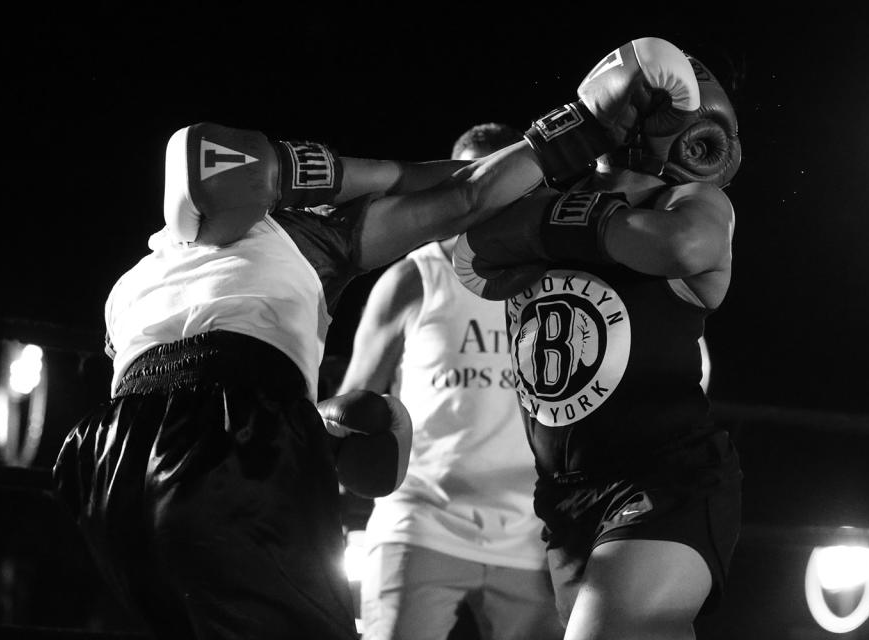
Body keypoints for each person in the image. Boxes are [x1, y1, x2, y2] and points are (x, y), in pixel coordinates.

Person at [53, 35, 712, 640]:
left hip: (103, 461)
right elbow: (462, 198)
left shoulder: (136, 281)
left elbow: (212, 166)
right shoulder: (314, 235)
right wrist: (583, 121)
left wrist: (332, 428)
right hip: (238, 441)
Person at [453, 40, 744, 639]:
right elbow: (465, 216)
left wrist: (554, 221)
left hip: (665, 479)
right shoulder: (534, 201)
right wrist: (577, 125)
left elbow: (683, 246)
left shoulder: (690, 202)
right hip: (565, 499)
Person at [336, 123, 564, 640]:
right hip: (421, 523)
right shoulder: (414, 278)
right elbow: (350, 407)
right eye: (475, 181)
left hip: (531, 536)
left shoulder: (557, 284)